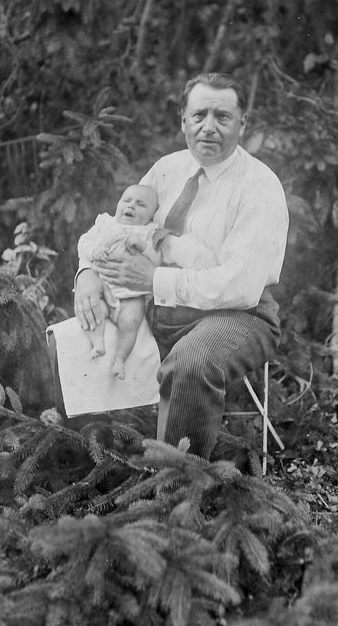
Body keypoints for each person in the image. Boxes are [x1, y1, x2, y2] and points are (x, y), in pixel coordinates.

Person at [74, 72, 289, 459]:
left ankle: (172, 489)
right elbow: (121, 233)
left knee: (192, 359)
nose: (208, 127)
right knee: (75, 337)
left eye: (222, 117)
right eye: (199, 115)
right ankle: (94, 460)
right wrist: (87, 274)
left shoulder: (260, 186)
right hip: (153, 306)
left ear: (243, 123)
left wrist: (157, 279)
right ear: (183, 121)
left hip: (239, 314)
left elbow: (239, 286)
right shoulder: (166, 169)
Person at [77, 184, 161, 379]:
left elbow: (157, 260)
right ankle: (98, 343)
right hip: (104, 286)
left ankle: (119, 360)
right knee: (94, 310)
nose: (131, 206)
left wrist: (143, 247)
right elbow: (84, 243)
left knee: (131, 321)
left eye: (140, 204)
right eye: (126, 200)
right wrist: (94, 252)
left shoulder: (149, 233)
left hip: (132, 295)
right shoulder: (105, 224)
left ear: (151, 215)